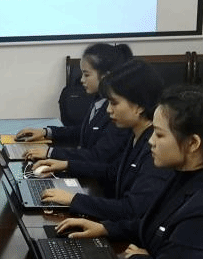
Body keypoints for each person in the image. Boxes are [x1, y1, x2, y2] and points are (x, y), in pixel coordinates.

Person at [56, 85, 203, 259]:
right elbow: (154, 224)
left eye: (159, 134)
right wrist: (106, 228)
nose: (151, 141)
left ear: (192, 143)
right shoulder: (184, 176)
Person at [39, 59, 172, 221]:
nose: (108, 110)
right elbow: (111, 171)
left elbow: (132, 209)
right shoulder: (136, 134)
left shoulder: (155, 147)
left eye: (114, 103)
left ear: (139, 106)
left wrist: (74, 200)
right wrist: (66, 165)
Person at [14, 43, 133, 187]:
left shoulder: (117, 113)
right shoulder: (99, 100)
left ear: (105, 76)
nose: (81, 80)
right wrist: (46, 132)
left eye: (86, 74)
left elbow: (97, 156)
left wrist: (51, 153)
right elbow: (82, 131)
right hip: (87, 172)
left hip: (100, 184)